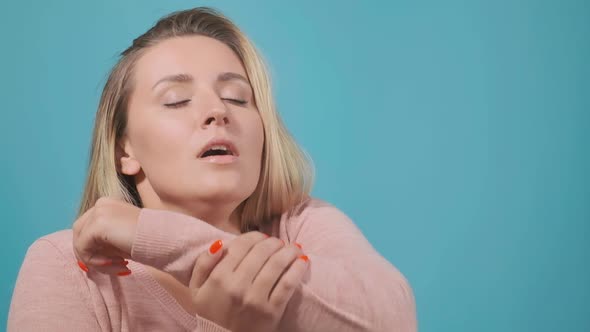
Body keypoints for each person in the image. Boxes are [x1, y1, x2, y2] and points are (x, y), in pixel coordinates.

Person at [7, 7, 416, 332]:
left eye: (238, 98)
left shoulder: (304, 223)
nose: (217, 111)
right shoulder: (68, 265)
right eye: (176, 100)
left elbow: (394, 322)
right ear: (123, 151)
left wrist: (149, 236)